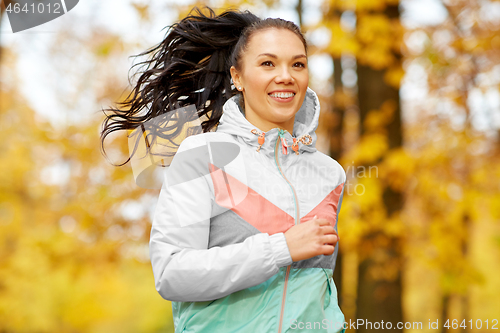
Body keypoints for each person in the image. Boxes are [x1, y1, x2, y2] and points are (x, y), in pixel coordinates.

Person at [101, 6, 347, 333]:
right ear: (238, 77)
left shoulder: (330, 174)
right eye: (268, 63)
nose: (285, 75)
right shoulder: (203, 155)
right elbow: (171, 273)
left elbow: (319, 286)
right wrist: (280, 248)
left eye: (297, 64)